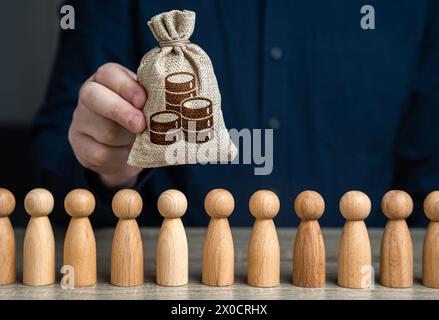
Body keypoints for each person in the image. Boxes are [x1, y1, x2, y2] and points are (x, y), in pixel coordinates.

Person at [31, 0, 439, 227]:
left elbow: (428, 181)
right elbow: (51, 156)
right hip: (168, 286)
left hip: (355, 280)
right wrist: (106, 167)